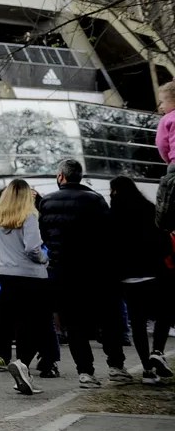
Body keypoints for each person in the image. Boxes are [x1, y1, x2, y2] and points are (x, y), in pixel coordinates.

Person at [38, 158, 128, 388]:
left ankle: (86, 372)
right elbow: (109, 235)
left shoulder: (47, 202)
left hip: (63, 271)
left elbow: (45, 237)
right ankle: (116, 366)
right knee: (107, 320)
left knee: (74, 323)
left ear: (61, 176)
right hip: (96, 270)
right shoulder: (96, 200)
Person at [108, 176, 174, 385]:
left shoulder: (111, 217)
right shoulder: (149, 210)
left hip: (126, 279)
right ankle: (158, 351)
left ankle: (147, 369)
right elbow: (165, 243)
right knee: (164, 313)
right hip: (154, 275)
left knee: (137, 323)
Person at [0, 179, 51, 395]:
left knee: (11, 318)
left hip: (6, 275)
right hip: (31, 276)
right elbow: (33, 248)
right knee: (34, 323)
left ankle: (18, 367)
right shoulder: (29, 216)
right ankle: (23, 363)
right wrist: (44, 260)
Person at [154, 81, 175, 232]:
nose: (160, 106)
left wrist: (168, 159)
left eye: (162, 101)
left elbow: (162, 144)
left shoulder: (167, 119)